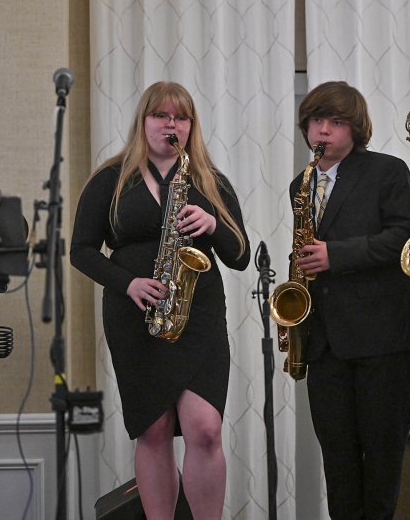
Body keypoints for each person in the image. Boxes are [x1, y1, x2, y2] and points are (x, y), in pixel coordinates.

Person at [70, 81, 249, 519]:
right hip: (135, 315)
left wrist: (212, 224)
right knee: (153, 432)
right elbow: (81, 251)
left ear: (191, 126)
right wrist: (127, 283)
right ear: (143, 121)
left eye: (181, 117)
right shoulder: (110, 180)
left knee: (205, 430)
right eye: (161, 116)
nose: (171, 124)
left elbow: (240, 256)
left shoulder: (209, 181)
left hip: (198, 314)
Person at [291, 81, 410, 519]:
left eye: (336, 122)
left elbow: (407, 239)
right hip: (326, 342)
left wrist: (336, 255)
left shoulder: (386, 171)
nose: (325, 131)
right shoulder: (302, 183)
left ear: (355, 128)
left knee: (382, 461)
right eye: (317, 121)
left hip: (385, 338)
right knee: (339, 462)